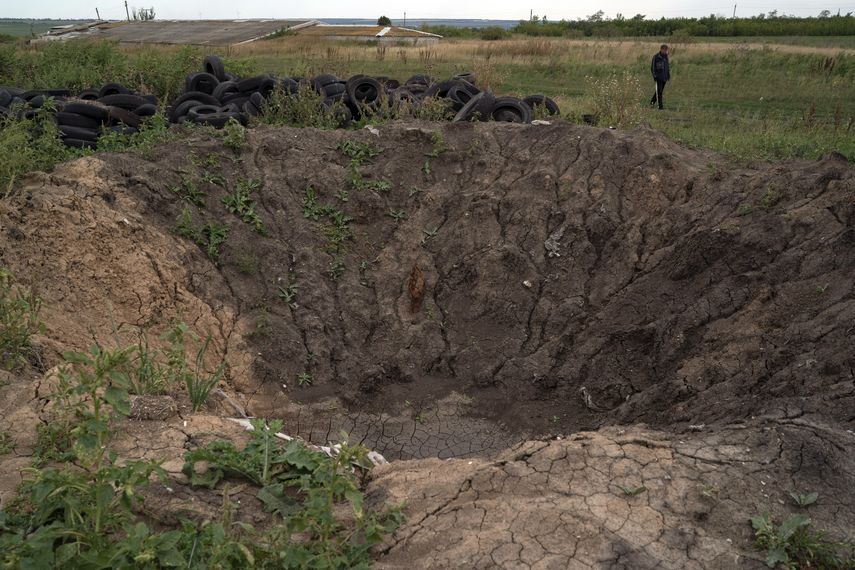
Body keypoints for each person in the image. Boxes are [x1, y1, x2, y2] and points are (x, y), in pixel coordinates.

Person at [650, 44, 670, 110]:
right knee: (659, 92)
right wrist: (655, 76)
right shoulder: (656, 57)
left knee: (659, 91)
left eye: (666, 50)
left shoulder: (666, 57)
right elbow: (652, 68)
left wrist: (668, 75)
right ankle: (660, 107)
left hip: (664, 77)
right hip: (658, 77)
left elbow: (667, 67)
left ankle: (652, 103)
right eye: (665, 50)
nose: (666, 51)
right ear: (661, 49)